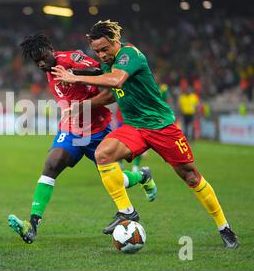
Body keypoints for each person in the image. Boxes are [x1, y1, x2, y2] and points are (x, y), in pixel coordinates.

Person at [51, 20, 237, 248]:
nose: (101, 55)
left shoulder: (130, 55)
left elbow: (116, 80)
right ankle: (126, 212)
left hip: (160, 126)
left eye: (104, 49)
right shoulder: (109, 64)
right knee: (103, 154)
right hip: (135, 127)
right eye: (96, 51)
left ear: (116, 42)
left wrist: (76, 77)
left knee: (190, 176)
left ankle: (224, 227)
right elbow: (112, 95)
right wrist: (82, 106)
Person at [8, 33, 157, 244]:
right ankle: (32, 225)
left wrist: (75, 74)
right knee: (51, 165)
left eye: (43, 57)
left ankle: (142, 176)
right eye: (37, 61)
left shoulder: (71, 59)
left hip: (98, 131)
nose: (42, 63)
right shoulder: (50, 69)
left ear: (51, 49)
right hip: (71, 131)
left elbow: (103, 71)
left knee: (116, 180)